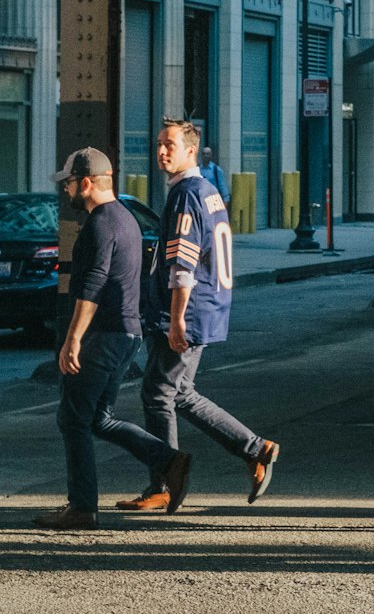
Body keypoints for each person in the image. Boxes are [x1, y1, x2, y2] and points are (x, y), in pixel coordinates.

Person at [116, 118, 279, 512]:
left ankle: (164, 483)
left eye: (169, 144)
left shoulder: (187, 194)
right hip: (205, 308)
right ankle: (255, 449)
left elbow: (182, 266)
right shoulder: (207, 191)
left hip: (186, 311)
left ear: (192, 150)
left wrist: (175, 319)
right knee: (180, 393)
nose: (161, 151)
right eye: (158, 143)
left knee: (157, 393)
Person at [33, 148, 191, 530]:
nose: (66, 190)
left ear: (85, 183)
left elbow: (94, 282)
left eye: (69, 183)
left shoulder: (101, 223)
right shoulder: (125, 218)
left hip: (103, 336)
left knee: (72, 419)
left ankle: (82, 507)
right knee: (99, 418)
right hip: (126, 334)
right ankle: (168, 461)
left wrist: (73, 338)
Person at [199, 144, 230, 210]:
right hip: (200, 201)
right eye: (204, 154)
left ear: (211, 155)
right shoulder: (198, 169)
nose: (206, 156)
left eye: (208, 154)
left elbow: (222, 186)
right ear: (201, 156)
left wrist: (225, 204)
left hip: (213, 201)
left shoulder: (216, 170)